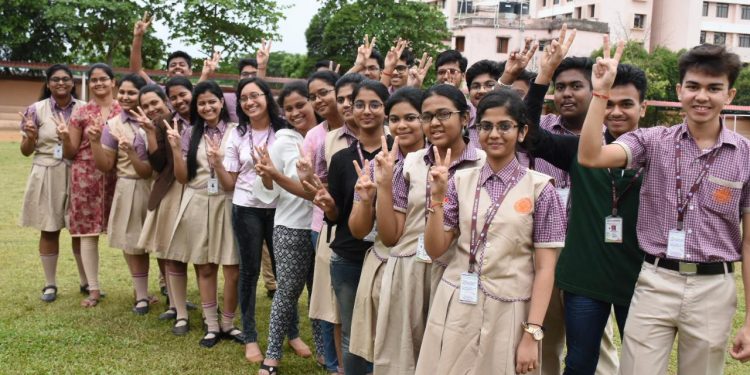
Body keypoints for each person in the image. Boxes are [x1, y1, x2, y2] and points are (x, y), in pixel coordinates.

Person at [578, 40, 750, 375]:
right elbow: (591, 156)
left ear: (729, 95)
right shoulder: (652, 140)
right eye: (693, 87)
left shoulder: (746, 156)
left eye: (714, 88)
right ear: (679, 90)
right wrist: (600, 93)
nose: (702, 96)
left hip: (715, 288)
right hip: (656, 279)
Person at [516, 35, 648, 374]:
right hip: (584, 280)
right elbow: (529, 134)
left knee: (640, 365)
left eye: (627, 105)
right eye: (609, 103)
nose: (616, 112)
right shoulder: (580, 150)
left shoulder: (660, 152)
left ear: (643, 108)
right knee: (578, 364)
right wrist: (542, 76)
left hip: (640, 279)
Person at [416, 89, 566, 375]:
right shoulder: (459, 181)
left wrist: (532, 334)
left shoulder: (541, 189)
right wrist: (437, 197)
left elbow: (546, 269)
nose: (494, 134)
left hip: (510, 309)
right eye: (486, 126)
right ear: (476, 131)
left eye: (504, 126)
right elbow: (435, 249)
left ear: (522, 132)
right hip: (458, 300)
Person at [372, 84, 486, 373]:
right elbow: (390, 235)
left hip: (457, 276)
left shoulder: (484, 164)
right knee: (402, 361)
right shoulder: (410, 163)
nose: (434, 123)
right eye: (427, 116)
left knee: (450, 359)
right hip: (409, 272)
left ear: (465, 118)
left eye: (444, 114)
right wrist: (383, 186)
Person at [304, 79, 391, 374]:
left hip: (389, 255)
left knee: (387, 334)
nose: (367, 111)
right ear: (350, 109)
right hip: (348, 256)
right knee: (352, 336)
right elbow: (336, 215)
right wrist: (329, 207)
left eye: (375, 104)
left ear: (385, 108)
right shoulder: (341, 158)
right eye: (359, 105)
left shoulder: (402, 152)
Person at [224, 77, 310, 362]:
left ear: (267, 97)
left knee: (285, 275)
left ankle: (292, 333)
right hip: (246, 207)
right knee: (249, 272)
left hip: (280, 209)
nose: (250, 102)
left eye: (255, 96)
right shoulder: (236, 134)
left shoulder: (285, 130)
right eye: (244, 98)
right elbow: (230, 177)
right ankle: (250, 337)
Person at [346, 87, 427, 366]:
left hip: (428, 270)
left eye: (411, 118)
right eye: (395, 119)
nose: (402, 125)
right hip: (385, 267)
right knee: (387, 355)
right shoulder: (376, 165)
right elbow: (358, 231)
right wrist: (367, 199)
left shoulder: (440, 164)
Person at [166, 80, 241, 348]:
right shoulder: (189, 133)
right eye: (202, 103)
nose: (207, 107)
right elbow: (182, 178)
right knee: (205, 265)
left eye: (212, 101)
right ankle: (211, 324)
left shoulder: (236, 131)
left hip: (229, 201)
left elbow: (233, 179)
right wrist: (175, 149)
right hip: (197, 200)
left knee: (233, 268)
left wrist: (218, 163)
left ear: (222, 102)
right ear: (196, 107)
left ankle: (229, 323)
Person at [253, 82, 322, 375]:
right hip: (290, 228)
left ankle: (323, 351)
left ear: (313, 103)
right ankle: (271, 358)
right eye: (289, 108)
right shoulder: (283, 142)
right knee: (287, 294)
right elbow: (265, 191)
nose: (295, 112)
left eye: (300, 105)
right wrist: (269, 175)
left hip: (323, 228)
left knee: (319, 294)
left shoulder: (326, 137)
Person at [308, 73, 365, 374]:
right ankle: (337, 368)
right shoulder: (331, 140)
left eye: (351, 99)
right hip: (337, 235)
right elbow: (329, 194)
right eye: (340, 99)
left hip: (381, 241)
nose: (345, 105)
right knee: (338, 311)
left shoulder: (392, 140)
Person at [19, 64, 87, 302]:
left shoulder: (85, 109)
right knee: (49, 229)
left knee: (80, 231)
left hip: (78, 172)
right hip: (46, 170)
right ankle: (50, 284)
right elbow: (26, 151)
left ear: (73, 83)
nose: (61, 83)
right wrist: (30, 136)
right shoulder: (36, 110)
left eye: (66, 79)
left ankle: (86, 281)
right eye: (55, 79)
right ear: (47, 84)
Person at [55, 63, 119, 308]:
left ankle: (141, 291)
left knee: (126, 231)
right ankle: (93, 288)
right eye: (94, 80)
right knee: (87, 232)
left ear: (113, 82)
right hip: (85, 175)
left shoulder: (123, 109)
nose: (99, 83)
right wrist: (63, 136)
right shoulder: (81, 113)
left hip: (118, 175)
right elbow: (70, 151)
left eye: (103, 79)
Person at [89, 74, 154, 314]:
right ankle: (142, 295)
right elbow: (106, 165)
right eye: (123, 93)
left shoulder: (156, 117)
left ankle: (170, 293)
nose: (125, 97)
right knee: (133, 243)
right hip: (129, 187)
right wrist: (95, 142)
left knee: (165, 243)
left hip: (159, 186)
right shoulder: (113, 124)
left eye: (132, 93)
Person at [134, 84, 193, 324]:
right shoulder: (160, 123)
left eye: (154, 102)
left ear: (164, 100)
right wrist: (150, 133)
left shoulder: (199, 116)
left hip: (200, 189)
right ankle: (177, 308)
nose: (151, 108)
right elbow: (157, 164)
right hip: (172, 189)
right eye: (146, 105)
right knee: (170, 251)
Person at [304, 69, 345, 373]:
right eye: (313, 95)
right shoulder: (319, 137)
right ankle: (333, 364)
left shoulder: (378, 135)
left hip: (365, 230)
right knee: (330, 304)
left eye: (324, 92)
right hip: (325, 227)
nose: (319, 100)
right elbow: (313, 185)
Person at [465, 59, 503, 148]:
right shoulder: (462, 127)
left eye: (489, 85)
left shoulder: (512, 125)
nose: (482, 91)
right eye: (475, 86)